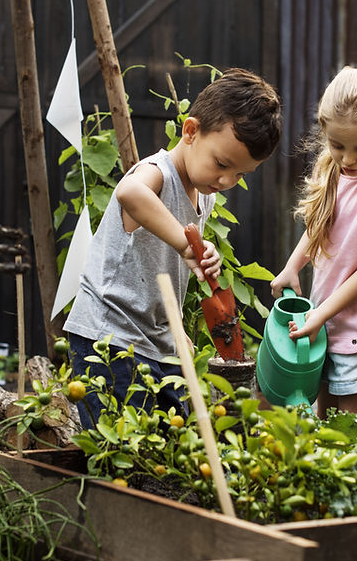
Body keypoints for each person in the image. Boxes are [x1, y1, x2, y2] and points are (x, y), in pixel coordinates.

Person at [64, 68, 282, 429]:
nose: (227, 181)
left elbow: (163, 271)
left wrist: (178, 328)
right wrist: (186, 243)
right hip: (109, 338)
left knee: (167, 443)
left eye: (241, 175)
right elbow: (129, 194)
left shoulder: (202, 194)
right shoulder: (157, 172)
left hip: (155, 341)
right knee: (120, 446)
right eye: (222, 165)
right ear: (191, 131)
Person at [271, 67, 357, 419]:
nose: (348, 159)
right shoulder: (333, 168)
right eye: (337, 145)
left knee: (352, 435)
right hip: (327, 324)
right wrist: (292, 266)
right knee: (324, 428)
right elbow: (320, 224)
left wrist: (319, 314)